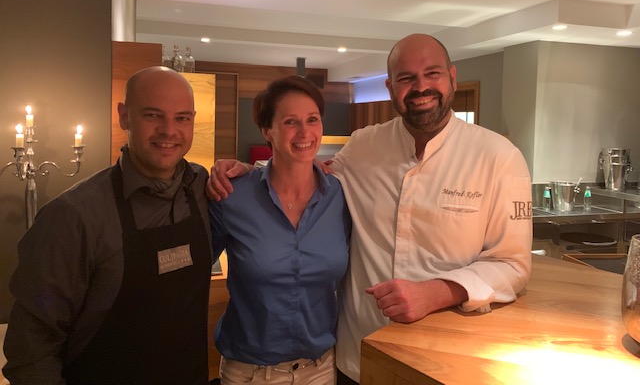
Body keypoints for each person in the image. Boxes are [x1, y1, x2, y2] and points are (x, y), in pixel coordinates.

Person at [206, 34, 533, 384]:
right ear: (390, 87)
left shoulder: (500, 157)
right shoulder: (365, 144)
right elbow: (305, 169)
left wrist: (438, 291)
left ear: (452, 77)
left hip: (441, 358)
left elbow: (512, 264)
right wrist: (248, 171)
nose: (420, 87)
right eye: (406, 78)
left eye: (432, 73)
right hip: (354, 355)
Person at [3, 67, 213, 385]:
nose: (169, 131)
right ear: (124, 116)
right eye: (153, 115)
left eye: (182, 118)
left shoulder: (203, 187)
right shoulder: (72, 216)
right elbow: (32, 347)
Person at [209, 76, 351, 385]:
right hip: (249, 373)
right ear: (267, 131)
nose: (304, 133)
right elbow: (191, 275)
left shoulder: (341, 196)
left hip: (321, 370)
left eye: (312, 120)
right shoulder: (232, 197)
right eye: (290, 122)